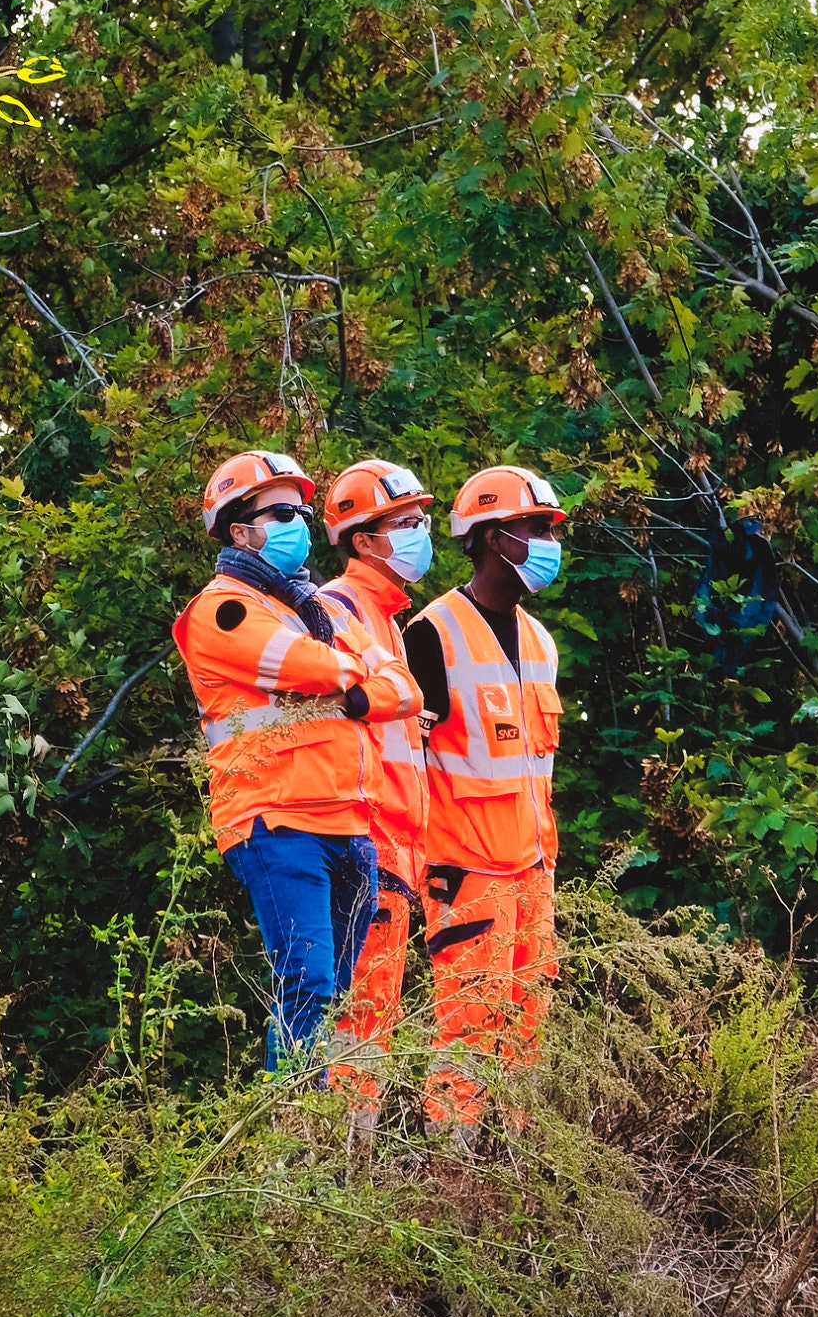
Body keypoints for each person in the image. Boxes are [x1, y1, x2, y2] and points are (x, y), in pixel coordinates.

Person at [172, 448, 423, 1078]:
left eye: (302, 511)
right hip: (275, 820)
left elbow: (404, 687)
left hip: (347, 822)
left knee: (335, 991)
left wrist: (358, 680)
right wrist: (355, 674)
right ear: (239, 530)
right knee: (307, 978)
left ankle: (315, 1127)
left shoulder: (313, 606)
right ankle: (288, 1126)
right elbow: (311, 665)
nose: (299, 522)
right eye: (281, 512)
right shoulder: (222, 608)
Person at [401, 464, 567, 1140]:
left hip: (531, 871)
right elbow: (403, 765)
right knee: (468, 1028)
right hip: (463, 871)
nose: (548, 542)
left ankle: (514, 1169)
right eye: (534, 528)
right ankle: (452, 1168)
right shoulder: (428, 634)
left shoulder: (539, 640)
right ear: (493, 537)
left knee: (528, 1030)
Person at [317, 459, 435, 1135]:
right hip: (366, 840)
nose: (422, 534)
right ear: (363, 539)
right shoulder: (339, 607)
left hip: (392, 849)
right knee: (356, 1011)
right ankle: (332, 1159)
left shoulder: (385, 618)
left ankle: (345, 1162)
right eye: (408, 523)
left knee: (372, 1012)